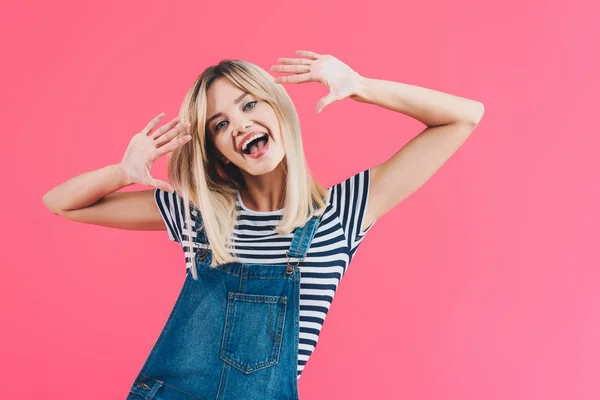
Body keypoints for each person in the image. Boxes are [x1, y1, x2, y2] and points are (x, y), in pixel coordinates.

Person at [43, 49, 484, 399]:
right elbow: (62, 203)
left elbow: (464, 116)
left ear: (278, 109)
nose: (240, 125)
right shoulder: (200, 214)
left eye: (249, 103)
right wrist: (123, 172)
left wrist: (361, 86)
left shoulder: (340, 213)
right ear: (216, 150)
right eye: (220, 124)